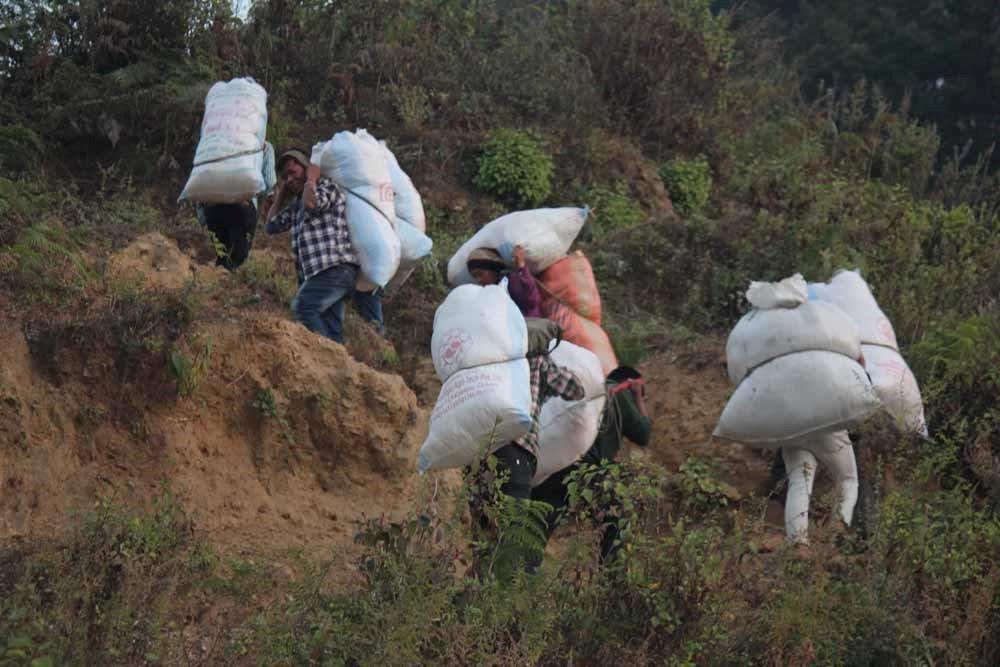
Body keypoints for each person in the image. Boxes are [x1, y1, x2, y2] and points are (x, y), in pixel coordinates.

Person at [467, 352, 585, 574]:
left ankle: (476, 588)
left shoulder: (488, 352)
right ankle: (496, 591)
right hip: (515, 453)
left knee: (481, 534)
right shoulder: (536, 357)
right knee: (510, 539)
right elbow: (575, 389)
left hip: (477, 455)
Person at [531, 365, 653, 564]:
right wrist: (638, 397)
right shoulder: (621, 392)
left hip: (555, 462)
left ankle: (520, 572)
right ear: (629, 382)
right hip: (586, 469)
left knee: (538, 523)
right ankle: (611, 574)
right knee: (618, 514)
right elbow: (643, 433)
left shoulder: (590, 389)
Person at [265, 147, 383, 343]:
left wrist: (312, 178)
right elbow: (270, 226)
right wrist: (281, 194)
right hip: (320, 276)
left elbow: (312, 204)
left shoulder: (328, 188)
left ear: (306, 168)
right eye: (285, 177)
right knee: (331, 331)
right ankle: (338, 360)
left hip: (335, 270)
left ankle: (326, 355)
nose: (289, 179)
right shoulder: (296, 207)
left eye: (293, 172)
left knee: (303, 308)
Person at [195, 141, 276, 271]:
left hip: (213, 206)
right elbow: (270, 183)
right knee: (239, 260)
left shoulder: (212, 142)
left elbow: (199, 176)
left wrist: (202, 215)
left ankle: (222, 277)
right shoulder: (263, 144)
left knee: (222, 256)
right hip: (242, 206)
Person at [467, 245, 541, 317]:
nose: (478, 280)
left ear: (493, 270)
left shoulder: (511, 282)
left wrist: (521, 266)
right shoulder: (485, 296)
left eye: (480, 274)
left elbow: (532, 299)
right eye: (475, 277)